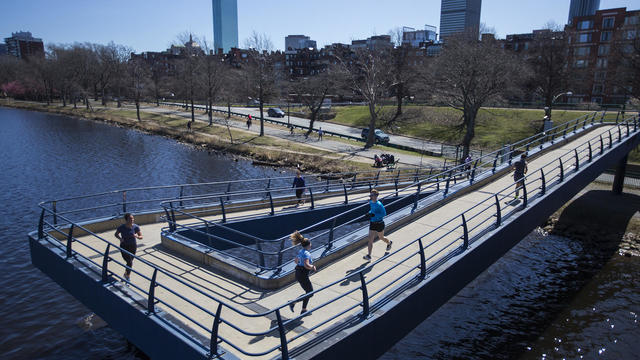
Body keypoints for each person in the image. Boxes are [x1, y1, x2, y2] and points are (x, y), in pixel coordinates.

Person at [288, 231, 316, 314]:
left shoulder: (301, 251)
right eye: (310, 243)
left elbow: (296, 261)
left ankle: (304, 310)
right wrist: (313, 267)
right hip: (303, 275)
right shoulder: (307, 253)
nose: (311, 245)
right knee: (310, 293)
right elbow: (306, 265)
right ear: (308, 244)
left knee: (308, 292)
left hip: (298, 273)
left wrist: (301, 264)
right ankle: (293, 302)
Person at [363, 189, 392, 261]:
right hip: (372, 223)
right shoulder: (371, 202)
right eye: (370, 195)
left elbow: (384, 214)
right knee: (370, 239)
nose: (371, 196)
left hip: (379, 223)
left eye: (372, 195)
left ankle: (389, 242)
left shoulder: (379, 204)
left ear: (376, 196)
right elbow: (372, 210)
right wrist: (369, 213)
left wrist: (374, 214)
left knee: (381, 237)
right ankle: (369, 255)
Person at [114, 213, 143, 282]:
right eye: (130, 219)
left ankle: (126, 274)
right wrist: (120, 238)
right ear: (126, 220)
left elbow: (141, 237)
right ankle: (128, 276)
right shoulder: (122, 227)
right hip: (124, 246)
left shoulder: (136, 227)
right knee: (129, 262)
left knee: (130, 262)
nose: (132, 220)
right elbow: (116, 234)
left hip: (133, 246)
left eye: (132, 218)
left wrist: (137, 237)